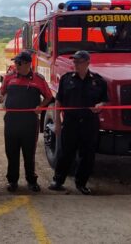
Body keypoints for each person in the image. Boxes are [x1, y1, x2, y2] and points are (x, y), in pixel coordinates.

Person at [48, 51, 108, 195]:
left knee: (87, 155)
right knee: (66, 153)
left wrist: (101, 105)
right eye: (74, 62)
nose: (75, 64)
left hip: (89, 123)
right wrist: (57, 123)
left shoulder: (98, 81)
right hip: (70, 122)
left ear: (87, 63)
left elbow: (105, 100)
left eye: (78, 62)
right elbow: (58, 101)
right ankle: (58, 180)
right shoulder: (66, 79)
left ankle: (81, 183)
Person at [0, 50, 53, 192]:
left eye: (19, 62)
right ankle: (12, 181)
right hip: (11, 121)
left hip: (29, 122)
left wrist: (41, 107)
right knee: (11, 153)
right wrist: (0, 97)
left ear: (28, 64)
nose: (16, 65)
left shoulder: (38, 79)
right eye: (15, 62)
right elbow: (1, 91)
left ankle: (31, 181)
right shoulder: (9, 78)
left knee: (29, 154)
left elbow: (49, 96)